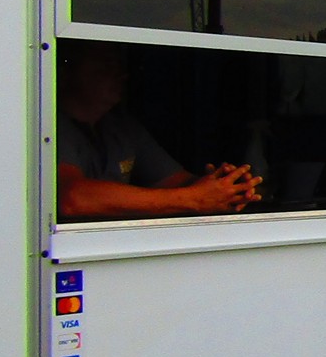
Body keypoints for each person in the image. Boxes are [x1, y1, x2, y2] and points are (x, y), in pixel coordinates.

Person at [56, 40, 263, 221]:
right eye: (105, 64)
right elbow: (73, 198)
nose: (120, 73)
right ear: (67, 69)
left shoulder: (121, 127)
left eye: (118, 64)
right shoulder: (50, 127)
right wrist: (194, 199)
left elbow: (176, 182)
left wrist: (225, 187)